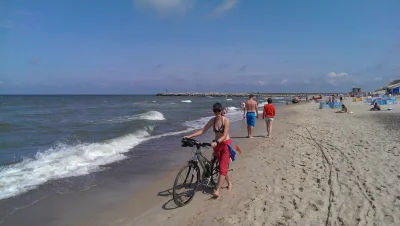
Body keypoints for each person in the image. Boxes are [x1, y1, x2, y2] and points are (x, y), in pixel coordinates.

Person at [184, 102, 232, 198]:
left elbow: (224, 135)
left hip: (225, 145)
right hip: (217, 146)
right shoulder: (212, 121)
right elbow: (202, 130)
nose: (217, 112)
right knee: (221, 168)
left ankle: (217, 190)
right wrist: (190, 136)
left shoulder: (226, 121)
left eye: (218, 110)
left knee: (222, 167)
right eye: (215, 111)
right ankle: (229, 182)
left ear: (221, 110)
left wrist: (217, 142)